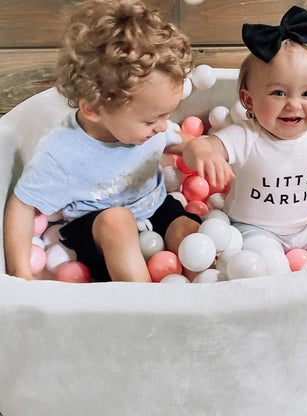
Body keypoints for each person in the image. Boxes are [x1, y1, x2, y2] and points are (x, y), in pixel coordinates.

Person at [3, 0, 201, 282]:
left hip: (155, 209)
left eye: (166, 115)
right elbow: (22, 204)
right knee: (116, 221)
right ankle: (150, 307)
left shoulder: (149, 126)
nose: (161, 127)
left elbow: (176, 139)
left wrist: (196, 146)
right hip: (97, 231)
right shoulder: (62, 152)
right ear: (94, 109)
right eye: (150, 120)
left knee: (191, 235)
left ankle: (205, 300)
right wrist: (20, 273)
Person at [183, 6, 307, 258]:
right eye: (279, 93)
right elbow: (200, 146)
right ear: (249, 101)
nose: (294, 103)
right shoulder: (246, 136)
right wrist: (201, 152)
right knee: (266, 265)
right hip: (254, 229)